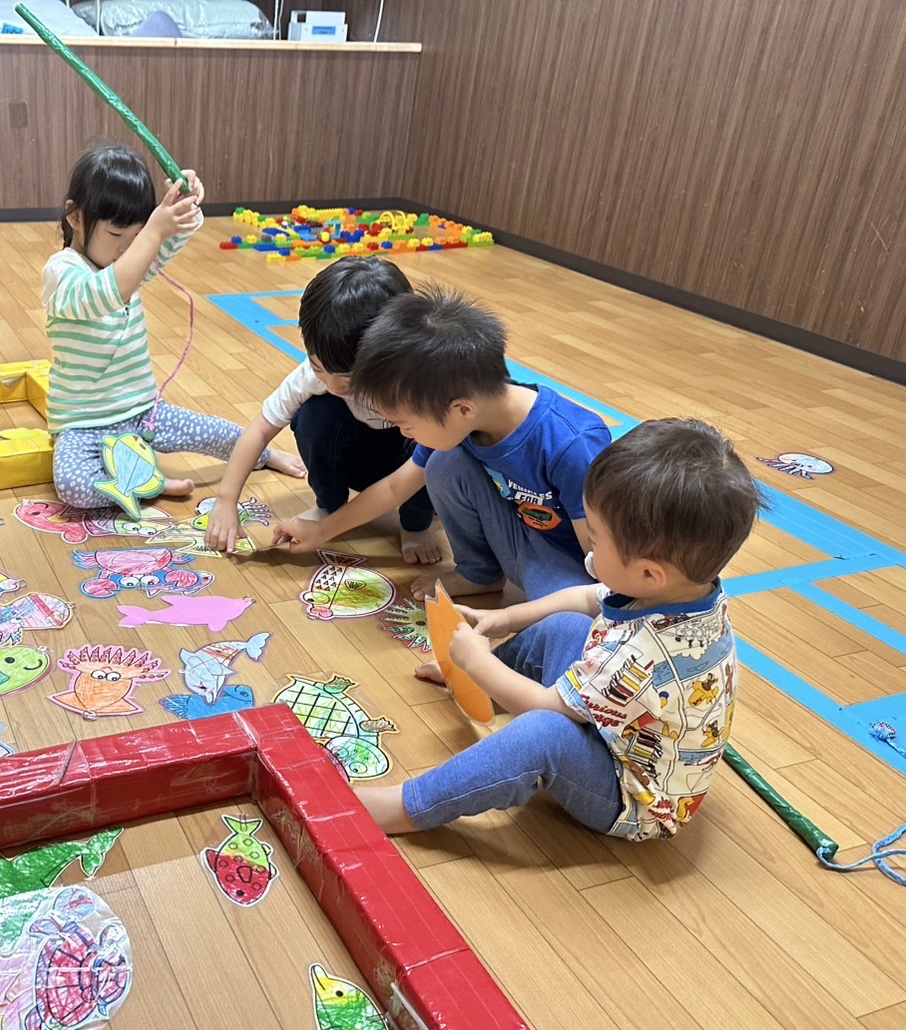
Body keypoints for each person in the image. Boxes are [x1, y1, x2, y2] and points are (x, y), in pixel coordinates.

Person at [359, 419, 761, 842]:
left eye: (597, 540)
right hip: (617, 728)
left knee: (543, 735)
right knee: (566, 625)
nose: (589, 548)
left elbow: (544, 708)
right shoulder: (681, 591)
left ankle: (409, 806)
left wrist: (476, 661)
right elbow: (586, 598)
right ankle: (479, 678)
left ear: (648, 573)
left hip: (632, 799)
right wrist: (508, 618)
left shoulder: (639, 658)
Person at [272, 283, 611, 602]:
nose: (404, 435)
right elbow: (394, 488)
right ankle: (480, 574)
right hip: (523, 537)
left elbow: (604, 567)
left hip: (576, 564)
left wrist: (521, 617)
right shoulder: (464, 419)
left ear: (461, 409)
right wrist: (322, 531)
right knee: (444, 463)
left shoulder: (571, 444)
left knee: (567, 623)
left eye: (407, 425)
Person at [44, 145, 302, 509]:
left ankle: (264, 455)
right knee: (74, 488)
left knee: (216, 433)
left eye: (136, 237)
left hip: (144, 413)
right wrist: (151, 233)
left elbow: (166, 242)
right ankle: (146, 481)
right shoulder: (62, 272)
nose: (127, 249)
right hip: (83, 424)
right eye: (116, 235)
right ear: (75, 216)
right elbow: (107, 293)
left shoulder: (130, 263)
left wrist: (185, 204)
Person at [204, 257, 441, 563]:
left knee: (436, 446)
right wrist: (225, 501)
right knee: (313, 414)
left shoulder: (420, 384)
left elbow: (414, 473)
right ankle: (330, 505)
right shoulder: (318, 374)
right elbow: (260, 430)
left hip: (413, 469)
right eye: (319, 368)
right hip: (359, 460)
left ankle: (417, 522)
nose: (332, 384)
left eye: (348, 379)